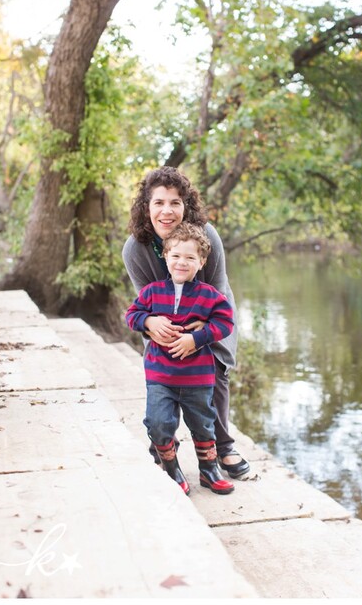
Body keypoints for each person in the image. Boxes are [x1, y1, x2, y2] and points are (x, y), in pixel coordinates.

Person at [123, 166, 251, 480]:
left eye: (175, 203)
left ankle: (223, 445)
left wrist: (198, 336)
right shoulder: (135, 249)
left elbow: (218, 291)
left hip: (208, 315)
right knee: (161, 374)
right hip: (162, 318)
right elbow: (143, 302)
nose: (167, 211)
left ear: (186, 207)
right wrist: (152, 323)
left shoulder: (206, 236)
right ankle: (163, 444)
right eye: (159, 203)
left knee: (214, 368)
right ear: (146, 207)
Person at [126, 222, 236, 495]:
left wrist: (197, 339)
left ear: (202, 261)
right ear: (165, 257)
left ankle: (209, 471)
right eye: (175, 256)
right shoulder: (152, 292)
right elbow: (131, 316)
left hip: (197, 377)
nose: (182, 262)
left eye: (190, 257)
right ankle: (172, 469)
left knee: (203, 425)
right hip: (160, 376)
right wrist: (148, 320)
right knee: (158, 423)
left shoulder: (210, 296)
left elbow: (225, 323)